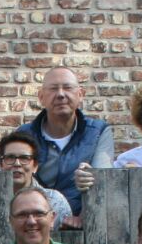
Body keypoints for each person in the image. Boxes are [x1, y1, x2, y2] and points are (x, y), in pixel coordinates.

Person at [14, 66, 114, 215]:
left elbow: (103, 180)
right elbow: (17, 183)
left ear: (80, 94)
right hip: (35, 219)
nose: (61, 94)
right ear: (41, 97)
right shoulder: (24, 134)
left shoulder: (98, 132)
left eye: (67, 87)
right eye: (53, 89)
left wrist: (83, 216)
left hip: (84, 226)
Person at [0, 131, 74, 230]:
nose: (17, 164)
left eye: (24, 158)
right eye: (10, 158)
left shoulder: (55, 201)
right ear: (0, 165)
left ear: (35, 166)